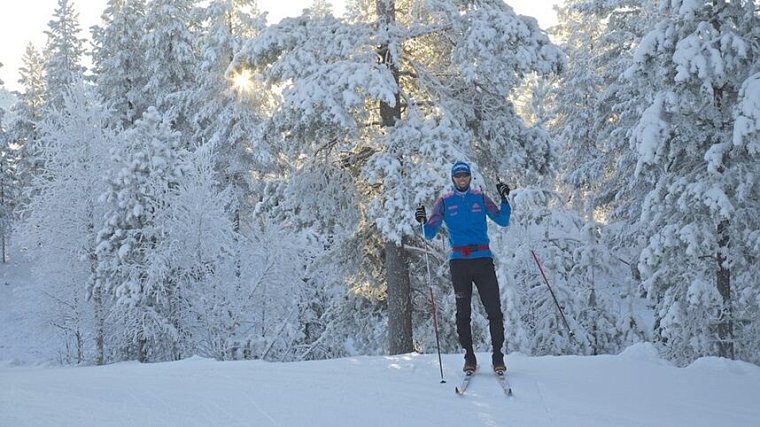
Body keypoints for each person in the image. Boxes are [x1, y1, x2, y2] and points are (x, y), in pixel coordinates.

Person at [415, 161, 511, 373]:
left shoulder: (479, 198)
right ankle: (469, 356)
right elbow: (429, 233)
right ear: (453, 178)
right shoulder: (445, 202)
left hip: (483, 259)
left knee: (494, 310)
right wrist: (421, 220)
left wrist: (505, 199)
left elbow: (503, 220)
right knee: (463, 313)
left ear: (469, 177)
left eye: (465, 175)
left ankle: (498, 356)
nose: (461, 179)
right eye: (458, 176)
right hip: (459, 263)